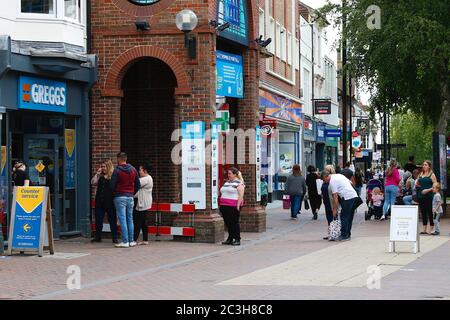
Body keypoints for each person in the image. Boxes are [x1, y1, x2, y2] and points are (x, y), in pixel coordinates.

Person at [111, 152, 140, 248]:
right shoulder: (133, 170)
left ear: (119, 159)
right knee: (130, 219)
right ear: (126, 159)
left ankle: (125, 241)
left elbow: (112, 185)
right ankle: (131, 241)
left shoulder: (117, 170)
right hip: (130, 196)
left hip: (120, 196)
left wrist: (115, 194)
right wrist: (131, 192)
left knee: (122, 219)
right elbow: (138, 184)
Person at [321, 170, 358, 241]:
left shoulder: (332, 182)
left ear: (326, 176)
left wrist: (334, 210)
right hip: (353, 195)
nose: (324, 182)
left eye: (324, 180)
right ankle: (348, 234)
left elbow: (335, 197)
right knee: (349, 216)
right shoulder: (339, 175)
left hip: (347, 197)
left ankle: (344, 235)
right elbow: (351, 183)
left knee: (344, 216)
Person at [91, 160, 118, 243]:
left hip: (110, 202)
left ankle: (114, 237)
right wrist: (97, 174)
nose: (103, 168)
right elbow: (93, 182)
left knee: (112, 220)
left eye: (104, 166)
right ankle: (98, 237)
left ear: (108, 166)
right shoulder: (100, 176)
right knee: (98, 220)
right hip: (99, 201)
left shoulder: (113, 176)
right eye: (102, 167)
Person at [219, 167, 245, 246]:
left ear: (235, 174)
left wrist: (238, 206)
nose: (228, 175)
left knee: (234, 223)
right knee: (228, 223)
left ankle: (237, 239)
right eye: (228, 173)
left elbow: (241, 195)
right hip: (224, 205)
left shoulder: (239, 183)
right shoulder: (227, 183)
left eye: (230, 173)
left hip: (233, 206)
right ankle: (230, 238)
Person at [133, 163, 153, 245]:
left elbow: (135, 183)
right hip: (144, 202)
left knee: (138, 222)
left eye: (140, 170)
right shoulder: (147, 178)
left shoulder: (146, 179)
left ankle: (134, 240)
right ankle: (145, 240)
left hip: (142, 203)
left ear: (145, 170)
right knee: (144, 222)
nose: (139, 171)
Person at [416, 160, 438, 235]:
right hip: (421, 196)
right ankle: (424, 228)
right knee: (423, 212)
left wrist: (428, 190)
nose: (424, 166)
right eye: (423, 165)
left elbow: (435, 186)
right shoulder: (421, 174)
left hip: (429, 196)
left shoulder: (432, 175)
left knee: (429, 212)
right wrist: (417, 185)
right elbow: (418, 183)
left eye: (425, 165)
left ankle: (431, 228)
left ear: (429, 166)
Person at [322, 165, 336, 240]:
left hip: (331, 201)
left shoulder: (332, 181)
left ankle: (333, 233)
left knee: (333, 218)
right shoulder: (325, 181)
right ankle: (331, 233)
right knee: (329, 218)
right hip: (326, 201)